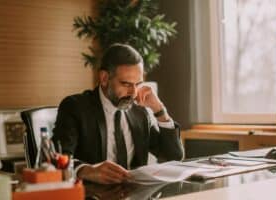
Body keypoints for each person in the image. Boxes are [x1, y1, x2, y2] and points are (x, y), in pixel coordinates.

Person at [52, 43, 184, 184]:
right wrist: (88, 171)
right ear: (104, 78)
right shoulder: (75, 107)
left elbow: (173, 157)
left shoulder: (140, 112)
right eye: (126, 84)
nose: (133, 93)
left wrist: (159, 110)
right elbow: (57, 159)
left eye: (137, 84)